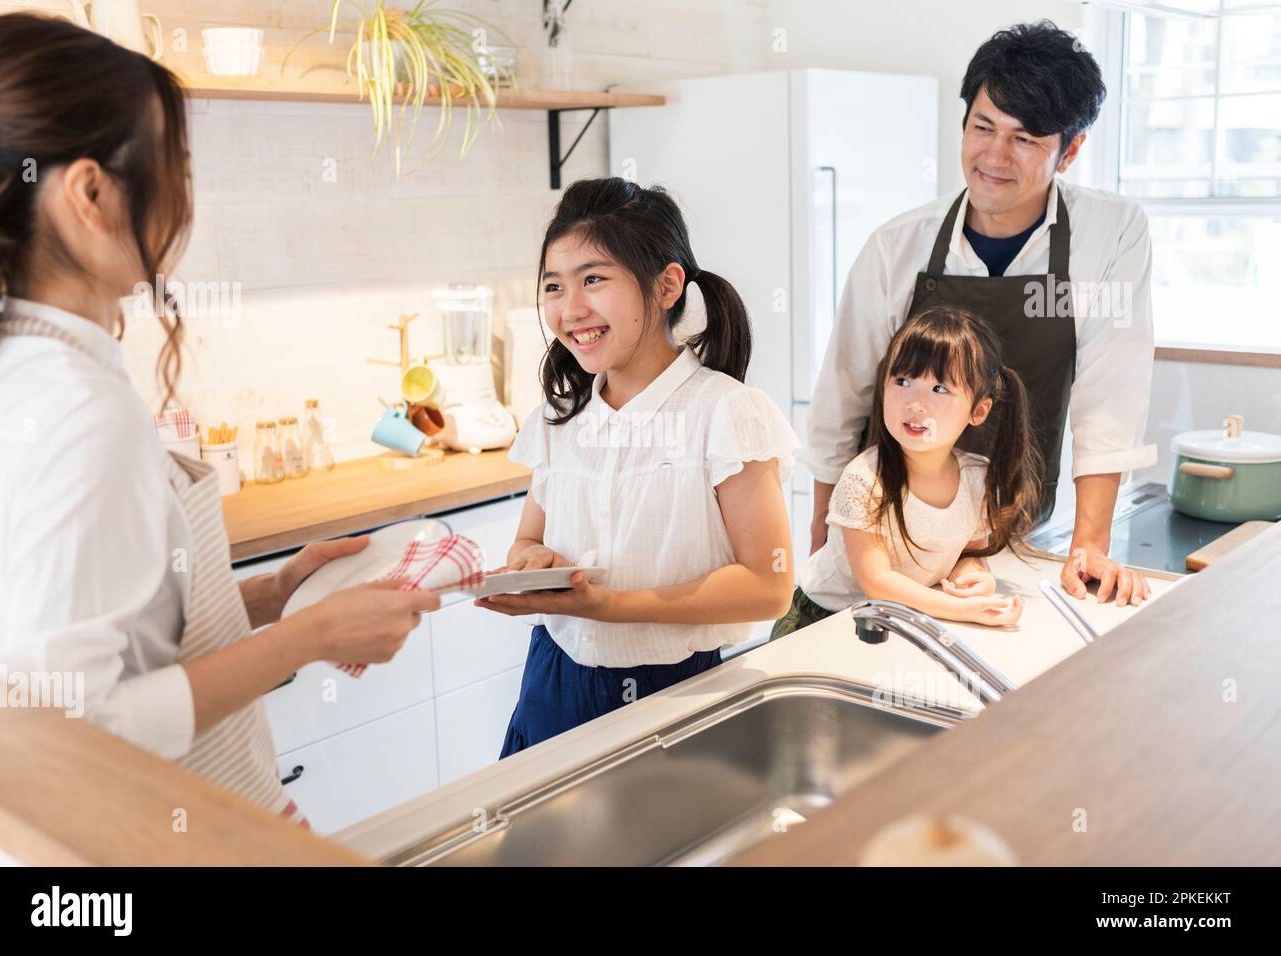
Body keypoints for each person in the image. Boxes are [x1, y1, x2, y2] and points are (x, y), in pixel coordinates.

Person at [0, 13, 437, 822]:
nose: (185, 195)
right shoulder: (78, 408)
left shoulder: (27, 370)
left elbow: (104, 634)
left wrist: (271, 595)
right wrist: (311, 638)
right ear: (89, 194)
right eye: (174, 164)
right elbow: (75, 726)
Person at [804, 20, 1156, 608]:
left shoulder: (1110, 234)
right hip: (890, 537)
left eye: (1024, 139)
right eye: (982, 127)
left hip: (1008, 532)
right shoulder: (898, 246)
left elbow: (1110, 396)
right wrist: (821, 546)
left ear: (1069, 151)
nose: (994, 156)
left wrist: (1087, 545)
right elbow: (840, 398)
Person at [476, 177, 799, 755]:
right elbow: (529, 536)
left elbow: (768, 586)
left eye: (594, 279)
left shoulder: (726, 413)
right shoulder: (561, 418)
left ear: (667, 284)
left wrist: (611, 607)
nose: (570, 309)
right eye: (554, 286)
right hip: (552, 682)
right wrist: (534, 564)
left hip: (673, 691)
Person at [773, 307, 1038, 638]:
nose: (915, 403)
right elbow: (877, 582)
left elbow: (969, 551)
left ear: (979, 410)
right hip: (825, 621)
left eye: (939, 388)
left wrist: (973, 574)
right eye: (902, 380)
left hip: (900, 620)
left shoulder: (976, 478)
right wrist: (963, 610)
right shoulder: (864, 480)